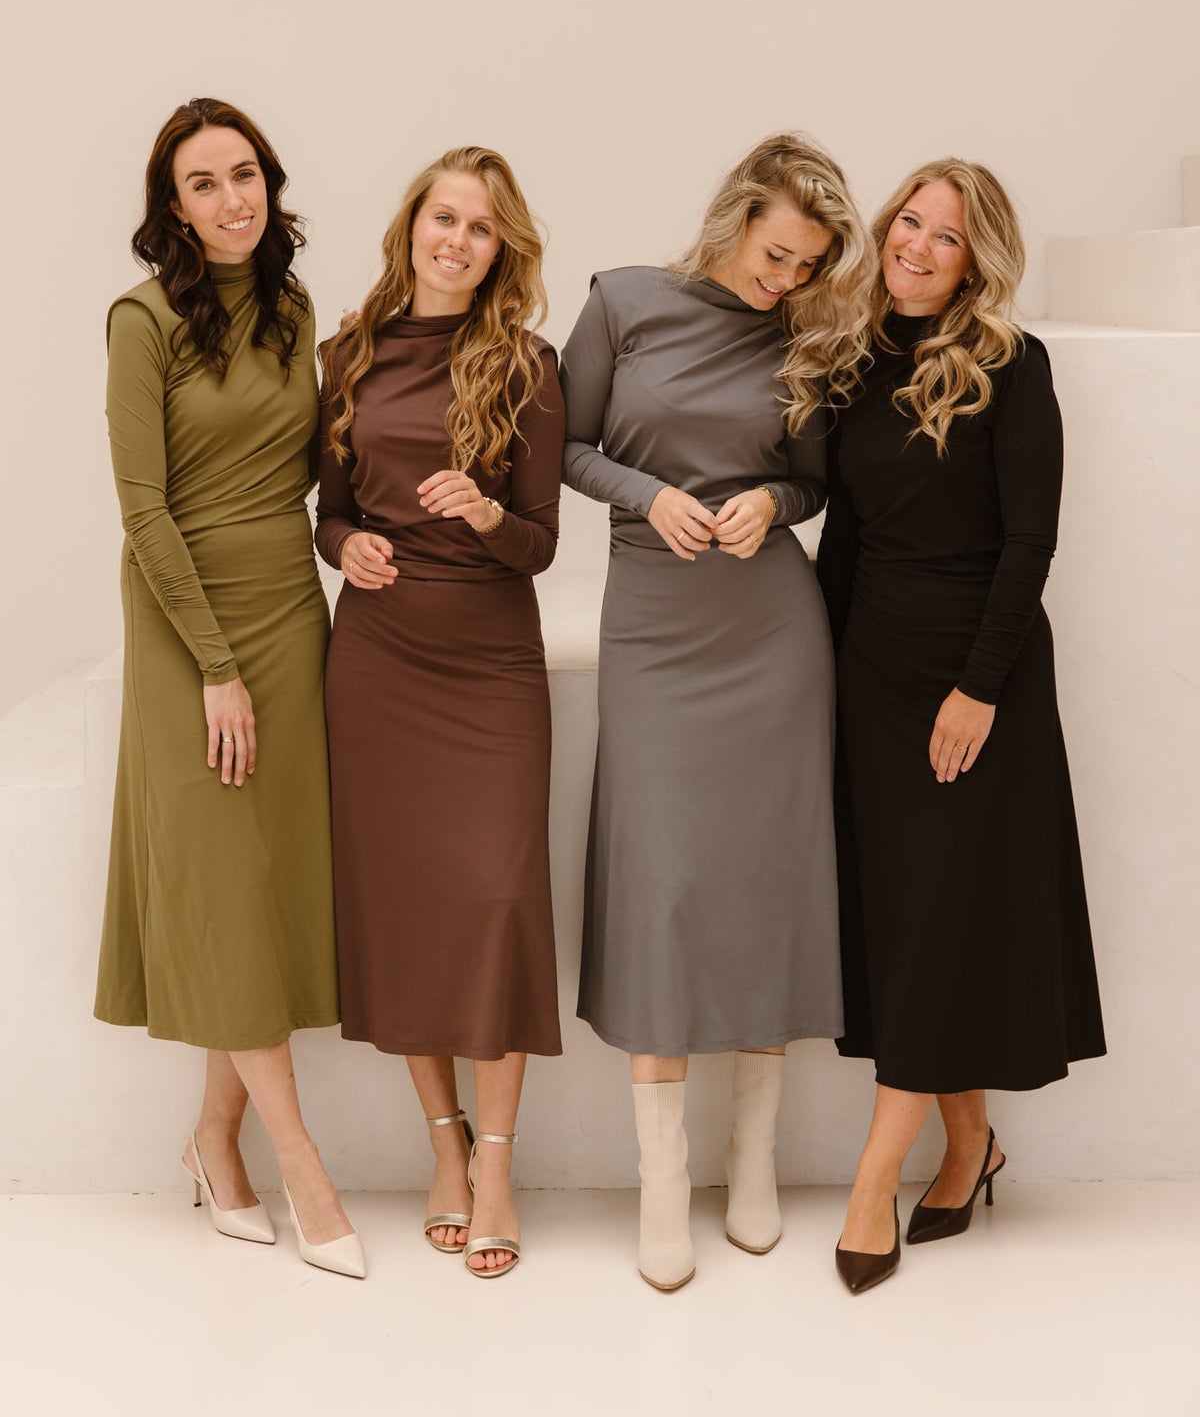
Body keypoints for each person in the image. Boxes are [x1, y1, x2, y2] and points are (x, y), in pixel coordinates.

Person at [560, 132, 870, 1291]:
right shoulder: (623, 303)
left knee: (765, 883)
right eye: (776, 254)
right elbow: (565, 446)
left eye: (808, 266)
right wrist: (650, 495)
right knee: (664, 886)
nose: (786, 280)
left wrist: (768, 505)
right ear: (735, 216)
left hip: (769, 634)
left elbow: (816, 481)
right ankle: (661, 1178)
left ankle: (752, 1159)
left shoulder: (805, 337)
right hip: (653, 625)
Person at [817, 159, 1106, 1295]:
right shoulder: (855, 359)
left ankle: (870, 1183)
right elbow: (846, 541)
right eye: (910, 222)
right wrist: (820, 674)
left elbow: (1031, 541)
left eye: (947, 236)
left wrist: (979, 688)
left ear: (976, 261)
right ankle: (969, 1142)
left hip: (975, 683)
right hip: (873, 676)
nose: (918, 246)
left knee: (938, 919)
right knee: (911, 924)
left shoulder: (1011, 365)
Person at [95, 97, 364, 1279]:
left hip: (290, 610)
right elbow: (143, 507)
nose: (230, 199)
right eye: (202, 183)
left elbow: (309, 473)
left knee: (258, 885)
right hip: (184, 621)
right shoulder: (142, 319)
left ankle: (213, 1140)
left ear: (270, 183)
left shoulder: (294, 313)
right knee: (218, 870)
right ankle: (300, 1160)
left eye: (243, 174)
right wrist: (214, 666)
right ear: (173, 206)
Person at [317, 145, 563, 1281]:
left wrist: (483, 514)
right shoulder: (349, 354)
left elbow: (541, 543)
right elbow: (326, 509)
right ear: (411, 226)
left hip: (490, 664)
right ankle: (446, 1149)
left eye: (480, 226)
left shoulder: (528, 365)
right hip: (378, 663)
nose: (457, 239)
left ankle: (499, 1162)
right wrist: (346, 547)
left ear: (501, 249)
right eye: (443, 218)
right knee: (408, 906)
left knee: (499, 903)